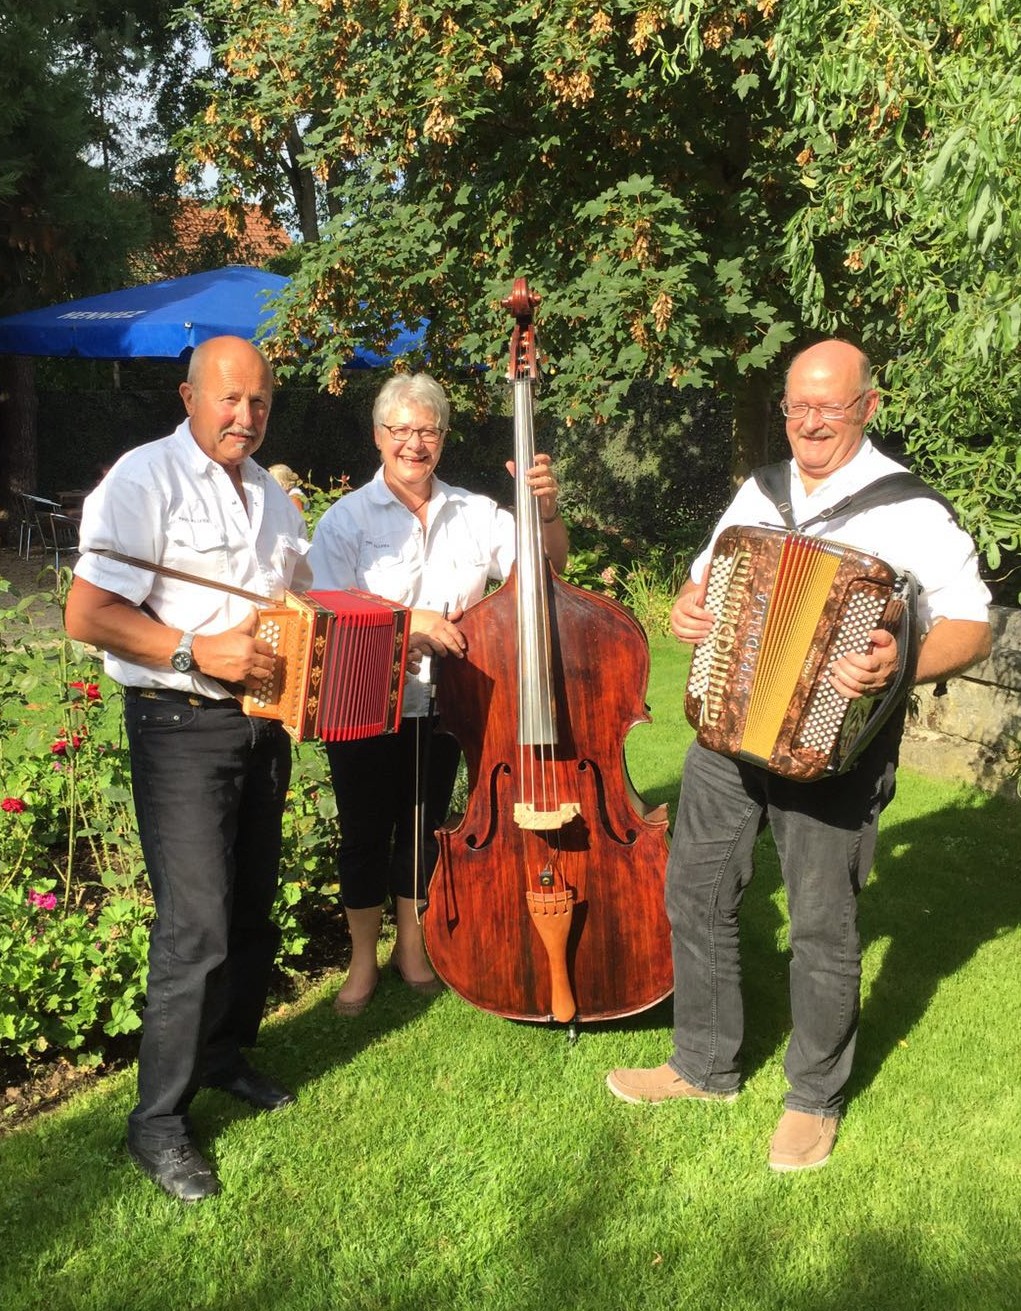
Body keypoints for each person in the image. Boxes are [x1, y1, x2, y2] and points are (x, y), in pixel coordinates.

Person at [607, 339, 992, 1171]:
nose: (810, 422)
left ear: (868, 406)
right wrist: (685, 610)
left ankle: (812, 1098)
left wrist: (900, 661)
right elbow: (705, 579)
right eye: (796, 406)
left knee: (821, 921)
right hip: (727, 731)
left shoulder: (909, 510)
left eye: (830, 405)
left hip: (834, 748)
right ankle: (703, 1065)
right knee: (695, 889)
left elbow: (973, 621)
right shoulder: (761, 487)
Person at [64, 335, 313, 1203]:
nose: (245, 416)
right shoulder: (143, 479)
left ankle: (222, 1054)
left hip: (258, 726)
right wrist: (190, 647)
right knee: (195, 924)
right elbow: (87, 612)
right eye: (229, 399)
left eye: (260, 402)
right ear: (188, 396)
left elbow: (296, 596)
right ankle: (157, 1120)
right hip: (178, 722)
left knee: (248, 910)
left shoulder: (274, 500)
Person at [309, 372, 568, 1014]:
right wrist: (406, 626)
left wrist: (549, 512)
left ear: (443, 441)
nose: (414, 444)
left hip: (444, 705)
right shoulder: (345, 519)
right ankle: (361, 960)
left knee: (424, 828)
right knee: (364, 833)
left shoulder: (476, 514)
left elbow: (547, 572)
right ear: (379, 437)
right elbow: (326, 607)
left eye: (427, 431)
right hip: (364, 701)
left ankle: (415, 947)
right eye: (401, 430)